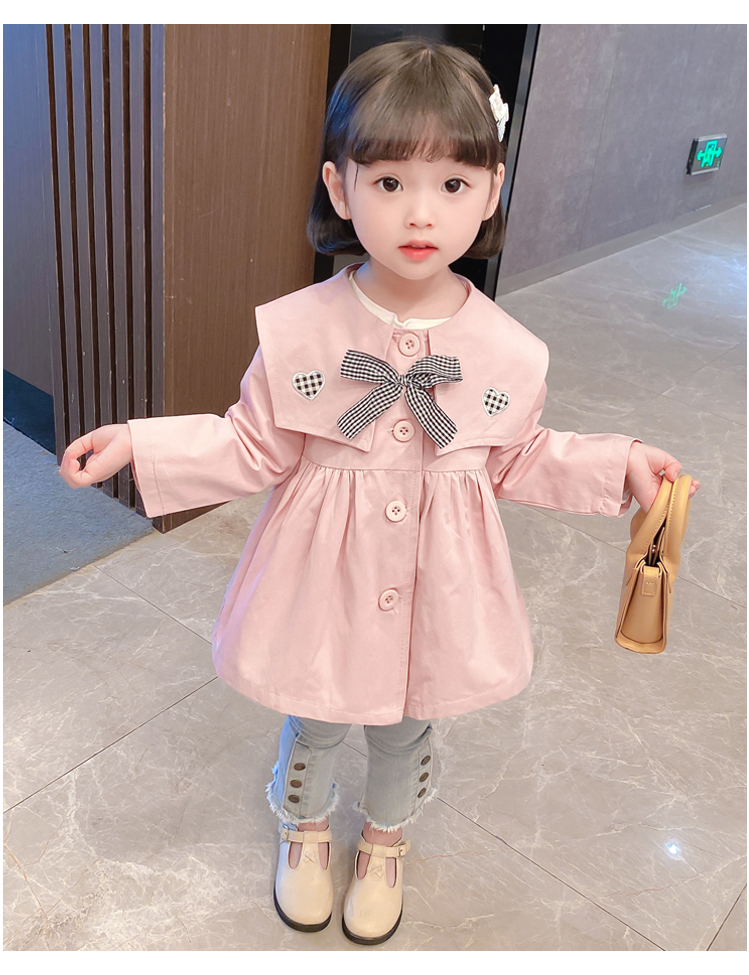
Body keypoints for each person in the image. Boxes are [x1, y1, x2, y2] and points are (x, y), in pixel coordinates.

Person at [59, 38, 701, 947]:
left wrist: (618, 461)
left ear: (491, 191)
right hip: (324, 571)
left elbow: (517, 456)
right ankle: (305, 827)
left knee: (407, 722)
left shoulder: (508, 352)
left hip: (439, 577)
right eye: (390, 181)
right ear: (339, 186)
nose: (420, 212)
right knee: (318, 709)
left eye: (452, 183)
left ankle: (386, 841)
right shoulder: (299, 332)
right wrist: (139, 441)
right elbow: (252, 442)